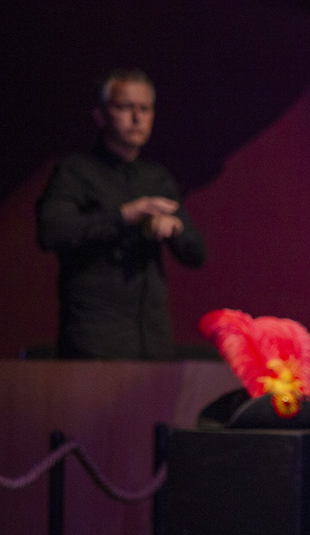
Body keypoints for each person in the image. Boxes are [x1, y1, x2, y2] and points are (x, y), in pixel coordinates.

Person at [35, 68, 206, 360]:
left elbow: (196, 254)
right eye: (126, 107)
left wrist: (174, 229)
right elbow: (51, 232)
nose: (137, 118)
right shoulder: (75, 172)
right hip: (95, 341)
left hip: (151, 340)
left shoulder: (157, 179)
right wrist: (125, 215)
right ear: (101, 115)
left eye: (145, 109)